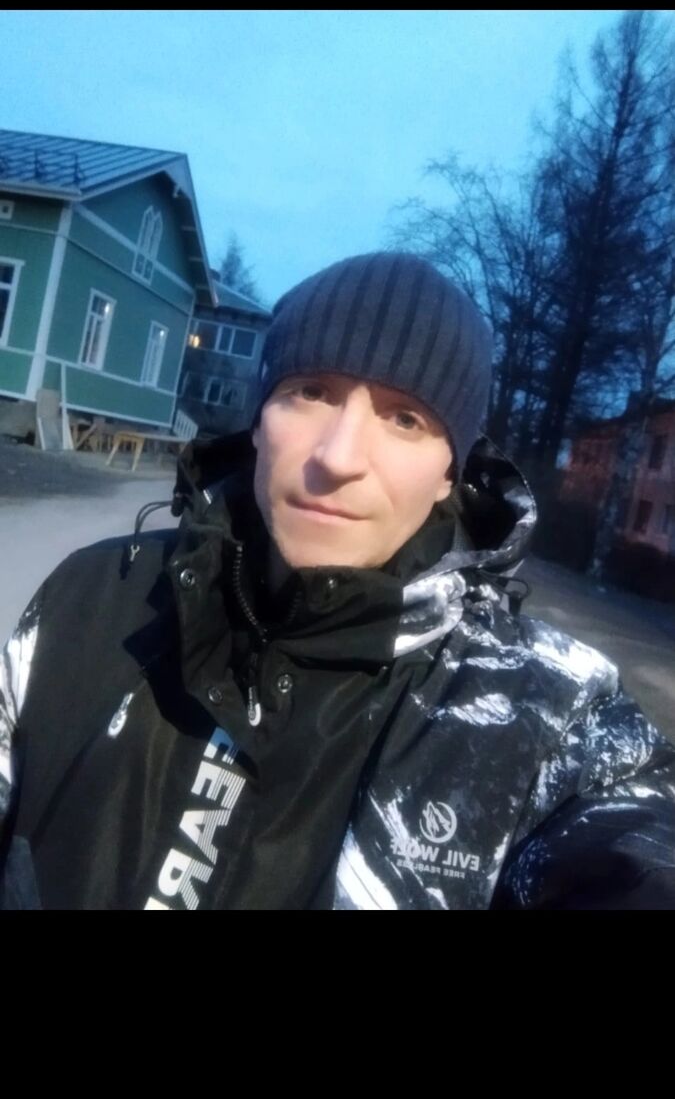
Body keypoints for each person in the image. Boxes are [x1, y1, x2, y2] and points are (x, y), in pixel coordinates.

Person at [1, 251, 674, 910]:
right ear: (260, 422)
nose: (338, 457)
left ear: (450, 473)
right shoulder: (92, 598)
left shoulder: (543, 714)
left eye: (404, 418)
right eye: (311, 393)